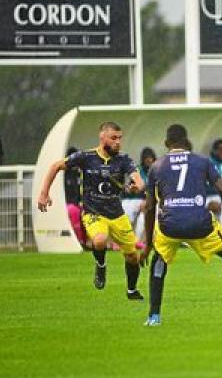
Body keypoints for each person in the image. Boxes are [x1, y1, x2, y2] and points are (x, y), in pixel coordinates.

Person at [140, 124, 222, 326]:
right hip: (199, 223)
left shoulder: (157, 166)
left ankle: (154, 316)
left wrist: (148, 245)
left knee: (158, 260)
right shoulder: (202, 161)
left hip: (169, 226)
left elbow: (150, 206)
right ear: (187, 142)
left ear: (166, 143)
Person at [37, 122, 145, 300]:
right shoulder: (86, 157)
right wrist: (43, 194)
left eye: (120, 138)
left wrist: (137, 186)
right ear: (102, 138)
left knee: (132, 256)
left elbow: (138, 180)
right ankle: (101, 265)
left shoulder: (123, 159)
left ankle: (132, 290)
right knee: (100, 240)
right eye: (113, 138)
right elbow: (55, 166)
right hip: (93, 212)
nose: (118, 142)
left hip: (117, 214)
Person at [122, 147, 156, 245]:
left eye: (151, 158)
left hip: (150, 201)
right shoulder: (138, 171)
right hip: (134, 199)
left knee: (143, 217)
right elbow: (129, 189)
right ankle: (125, 240)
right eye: (147, 159)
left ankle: (139, 241)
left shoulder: (157, 171)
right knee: (126, 210)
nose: (149, 161)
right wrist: (130, 189)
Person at [64, 146, 87, 246]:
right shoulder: (64, 175)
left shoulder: (82, 174)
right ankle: (79, 241)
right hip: (70, 205)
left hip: (83, 204)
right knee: (73, 211)